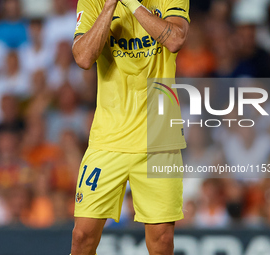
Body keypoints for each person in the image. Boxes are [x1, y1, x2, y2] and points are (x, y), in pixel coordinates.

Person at [71, 0, 190, 254]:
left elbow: (176, 39)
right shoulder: (93, 2)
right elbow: (82, 57)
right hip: (108, 140)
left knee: (162, 241)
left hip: (159, 140)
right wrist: (110, 7)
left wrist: (133, 3)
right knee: (82, 236)